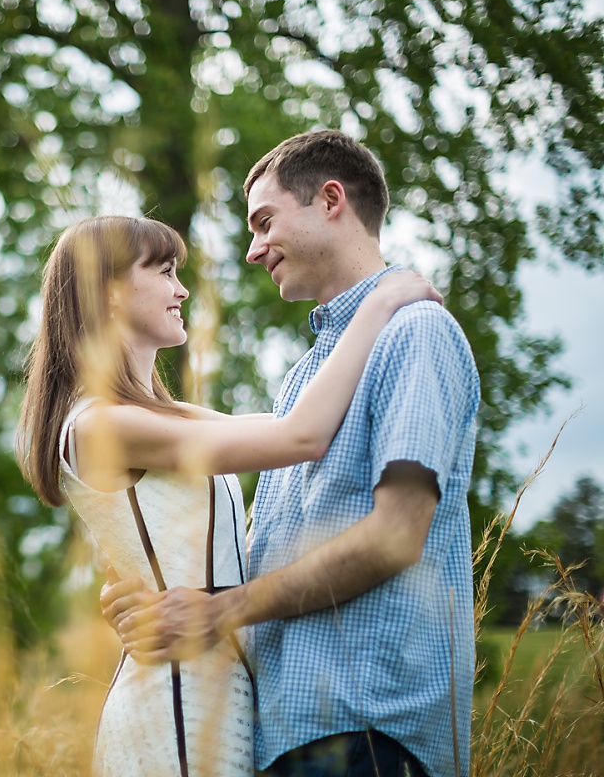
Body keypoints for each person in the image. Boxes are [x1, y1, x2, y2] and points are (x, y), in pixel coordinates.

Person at [102, 131, 480, 777]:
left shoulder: (415, 332)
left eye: (264, 222)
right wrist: (163, 597)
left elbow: (394, 537)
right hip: (286, 734)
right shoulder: (307, 381)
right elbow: (277, 554)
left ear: (330, 199)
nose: (253, 250)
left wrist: (218, 610)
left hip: (370, 731)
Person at [16, 214, 441, 777]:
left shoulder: (157, 416)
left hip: (216, 689)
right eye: (165, 272)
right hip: (175, 701)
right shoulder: (103, 425)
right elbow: (303, 436)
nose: (182, 289)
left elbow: (296, 423)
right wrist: (381, 303)